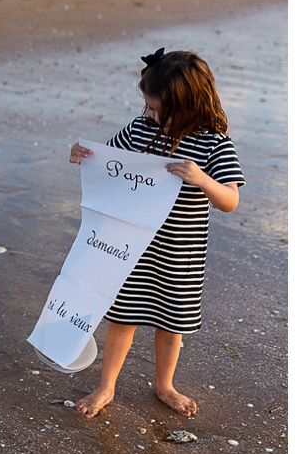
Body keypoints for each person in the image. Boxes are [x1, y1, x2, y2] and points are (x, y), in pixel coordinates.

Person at [69, 49, 244, 419]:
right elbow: (109, 162)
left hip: (181, 251)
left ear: (188, 104)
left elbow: (230, 200)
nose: (148, 115)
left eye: (155, 109)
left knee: (171, 324)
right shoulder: (140, 129)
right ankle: (106, 387)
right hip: (133, 246)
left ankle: (164, 385)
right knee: (123, 317)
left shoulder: (213, 143)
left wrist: (201, 179)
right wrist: (83, 155)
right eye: (147, 107)